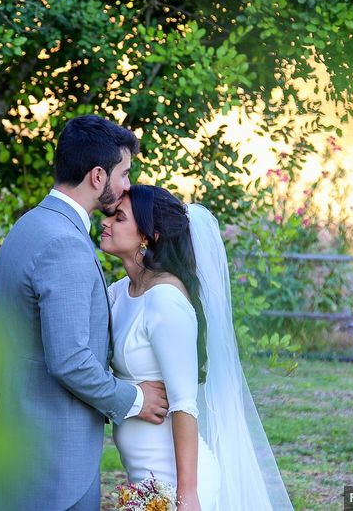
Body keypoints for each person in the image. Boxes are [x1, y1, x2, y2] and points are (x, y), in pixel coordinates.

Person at [0, 115, 169, 510]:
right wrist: (135, 399)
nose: (127, 186)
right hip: (55, 466)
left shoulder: (29, 226)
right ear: (98, 176)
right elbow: (70, 361)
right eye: (124, 174)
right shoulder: (63, 244)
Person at [100, 185, 293, 511]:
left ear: (150, 236)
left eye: (119, 218)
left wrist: (187, 494)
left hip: (176, 479)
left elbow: (184, 405)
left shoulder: (165, 300)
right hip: (143, 480)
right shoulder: (120, 293)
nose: (106, 223)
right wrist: (129, 391)